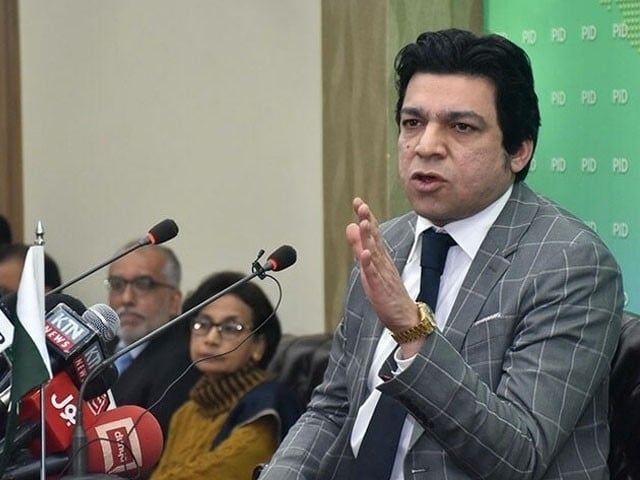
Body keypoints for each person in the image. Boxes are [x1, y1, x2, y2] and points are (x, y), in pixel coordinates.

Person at [259, 29, 623, 479]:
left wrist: (411, 331)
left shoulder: (569, 262)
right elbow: (334, 408)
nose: (426, 146)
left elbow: (520, 455)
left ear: (518, 150)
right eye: (413, 123)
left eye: (461, 127)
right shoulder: (388, 243)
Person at [150, 271, 301, 480]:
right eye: (202, 324)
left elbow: (226, 473)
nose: (211, 339)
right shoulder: (186, 412)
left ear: (258, 345)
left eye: (231, 328)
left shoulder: (268, 406)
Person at [106, 242, 200, 436]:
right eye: (117, 285)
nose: (126, 299)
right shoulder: (98, 346)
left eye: (143, 284)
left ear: (174, 301)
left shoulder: (182, 361)